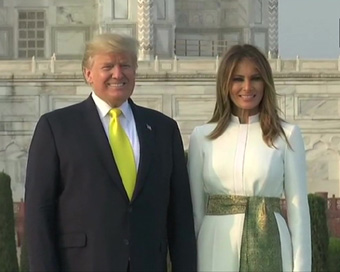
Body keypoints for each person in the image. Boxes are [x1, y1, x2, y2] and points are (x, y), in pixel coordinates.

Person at [25, 33, 197, 272]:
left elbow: (180, 216)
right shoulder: (57, 127)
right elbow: (39, 213)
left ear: (135, 71)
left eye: (125, 65)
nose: (118, 74)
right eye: (108, 66)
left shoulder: (163, 129)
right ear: (88, 74)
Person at [187, 44, 311, 271]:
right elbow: (195, 212)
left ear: (266, 83)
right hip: (215, 246)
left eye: (255, 78)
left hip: (270, 238)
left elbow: (298, 210)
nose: (247, 87)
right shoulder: (202, 137)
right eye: (237, 79)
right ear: (225, 84)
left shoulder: (287, 135)